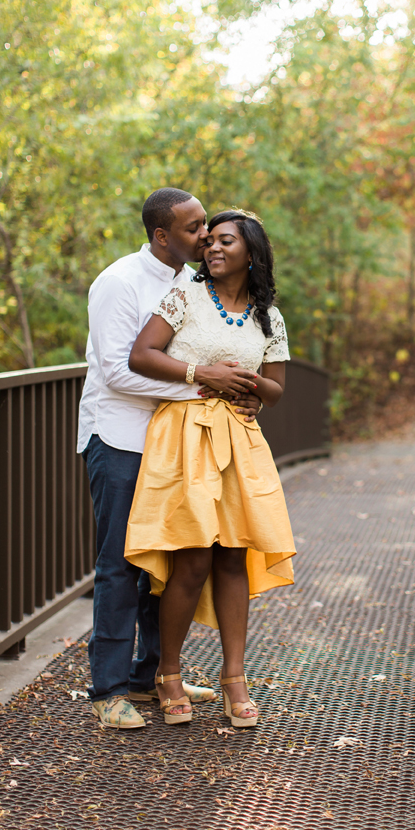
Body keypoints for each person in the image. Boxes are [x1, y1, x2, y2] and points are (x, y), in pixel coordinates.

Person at [77, 188, 261, 730]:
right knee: (120, 567)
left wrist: (239, 390)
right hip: (121, 440)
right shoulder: (118, 283)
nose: (206, 235)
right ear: (161, 235)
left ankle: (152, 676)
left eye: (208, 225)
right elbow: (117, 371)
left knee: (172, 561)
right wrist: (205, 387)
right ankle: (108, 690)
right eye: (194, 227)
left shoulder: (198, 283)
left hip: (177, 446)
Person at [124, 209, 295, 728]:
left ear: (252, 252)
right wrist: (205, 373)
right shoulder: (185, 297)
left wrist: (247, 385)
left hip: (239, 440)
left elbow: (277, 388)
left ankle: (233, 678)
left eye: (226, 241)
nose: (213, 248)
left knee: (232, 557)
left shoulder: (270, 316)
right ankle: (168, 674)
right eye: (210, 240)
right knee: (192, 557)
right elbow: (141, 355)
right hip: (184, 436)